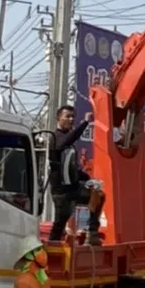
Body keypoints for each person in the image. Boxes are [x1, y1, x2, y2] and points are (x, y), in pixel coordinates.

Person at [47, 102, 104, 246]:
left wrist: (87, 178)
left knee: (98, 194)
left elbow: (70, 166)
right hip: (61, 192)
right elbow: (67, 141)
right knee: (59, 224)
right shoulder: (55, 137)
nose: (71, 119)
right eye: (67, 116)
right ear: (59, 118)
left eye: (73, 117)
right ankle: (52, 249)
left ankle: (92, 233)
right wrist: (85, 123)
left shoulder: (68, 141)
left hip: (73, 188)